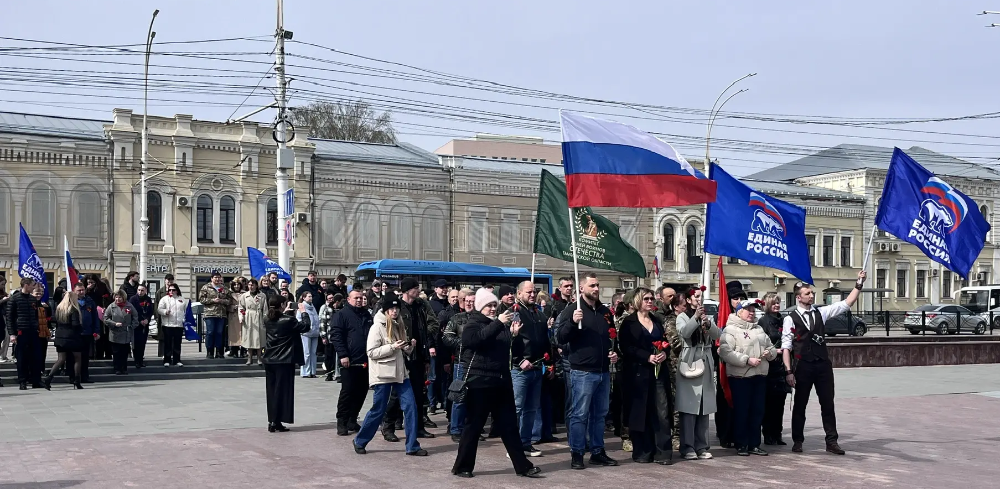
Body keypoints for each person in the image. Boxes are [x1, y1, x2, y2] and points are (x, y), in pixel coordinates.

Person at [451, 288, 541, 479]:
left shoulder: (499, 325)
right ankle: (462, 467)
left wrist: (514, 336)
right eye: (488, 306)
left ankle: (522, 466)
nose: (493, 309)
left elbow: (510, 350)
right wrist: (499, 323)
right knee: (473, 426)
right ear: (479, 306)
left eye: (494, 305)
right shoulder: (473, 324)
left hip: (501, 381)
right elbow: (475, 340)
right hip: (479, 382)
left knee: (509, 426)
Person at [784, 270, 867, 455]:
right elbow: (786, 347)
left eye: (812, 293)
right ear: (798, 297)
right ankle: (798, 441)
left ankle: (832, 441)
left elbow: (846, 304)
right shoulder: (790, 318)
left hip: (822, 365)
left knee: (828, 404)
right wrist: (788, 372)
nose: (811, 295)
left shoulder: (821, 313)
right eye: (807, 293)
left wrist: (859, 283)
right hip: (802, 366)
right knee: (800, 404)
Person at [555, 272, 620, 470]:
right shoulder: (572, 310)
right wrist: (573, 322)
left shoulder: (604, 312)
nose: (596, 289)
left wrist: (614, 352)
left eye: (598, 285)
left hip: (603, 370)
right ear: (581, 288)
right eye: (592, 285)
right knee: (579, 414)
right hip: (582, 371)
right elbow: (560, 338)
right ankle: (577, 452)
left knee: (599, 414)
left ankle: (598, 451)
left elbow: (611, 336)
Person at [352, 296, 428, 457]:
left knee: (411, 407)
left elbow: (401, 351)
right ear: (385, 310)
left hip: (400, 373)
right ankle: (360, 440)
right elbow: (371, 352)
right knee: (378, 410)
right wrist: (392, 347)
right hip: (382, 375)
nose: (394, 311)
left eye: (397, 309)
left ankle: (412, 446)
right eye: (391, 309)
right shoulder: (377, 327)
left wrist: (409, 347)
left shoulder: (399, 324)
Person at [619, 288, 673, 464]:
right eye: (646, 299)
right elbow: (626, 347)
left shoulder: (657, 321)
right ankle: (643, 451)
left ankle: (663, 452)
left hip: (658, 373)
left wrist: (664, 353)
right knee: (640, 413)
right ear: (637, 301)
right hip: (638, 374)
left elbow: (666, 342)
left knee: (661, 412)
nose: (650, 302)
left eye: (651, 299)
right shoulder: (629, 322)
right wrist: (646, 357)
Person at [383, 278, 438, 440]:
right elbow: (389, 326)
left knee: (419, 393)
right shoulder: (397, 305)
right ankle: (388, 427)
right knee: (396, 394)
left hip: (419, 354)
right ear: (407, 290)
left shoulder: (422, 305)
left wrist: (424, 341)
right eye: (415, 288)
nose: (418, 290)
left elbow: (434, 323)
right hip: (401, 354)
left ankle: (419, 427)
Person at [720, 299, 777, 457]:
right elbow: (725, 352)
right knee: (742, 411)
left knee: (757, 411)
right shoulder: (730, 329)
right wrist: (746, 360)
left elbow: (771, 347)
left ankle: (754, 443)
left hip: (759, 375)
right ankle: (741, 443)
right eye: (748, 310)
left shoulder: (759, 329)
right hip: (740, 377)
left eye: (754, 310)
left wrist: (769, 353)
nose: (752, 312)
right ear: (739, 312)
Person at [675, 285, 720, 461]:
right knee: (689, 406)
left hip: (706, 361)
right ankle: (687, 446)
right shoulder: (682, 317)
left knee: (704, 406)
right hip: (690, 361)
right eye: (696, 297)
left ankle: (702, 445)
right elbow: (685, 333)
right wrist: (695, 318)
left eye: (701, 296)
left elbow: (717, 335)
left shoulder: (705, 316)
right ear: (688, 300)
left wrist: (708, 323)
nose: (699, 300)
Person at [510, 280, 550, 458]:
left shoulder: (539, 314)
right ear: (519, 294)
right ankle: (513, 445)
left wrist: (549, 361)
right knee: (517, 408)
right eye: (528, 292)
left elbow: (544, 340)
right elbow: (508, 341)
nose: (532, 295)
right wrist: (519, 361)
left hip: (537, 366)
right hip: (520, 369)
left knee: (531, 408)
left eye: (534, 292)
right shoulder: (514, 313)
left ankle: (526, 443)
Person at [262, 293, 312, 432]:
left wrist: (286, 312)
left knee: (272, 391)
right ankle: (277, 421)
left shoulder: (267, 319)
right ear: (282, 305)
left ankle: (273, 420)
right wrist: (303, 312)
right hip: (284, 359)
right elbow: (306, 326)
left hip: (270, 359)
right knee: (283, 392)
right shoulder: (288, 320)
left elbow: (278, 319)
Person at [332, 290, 374, 436]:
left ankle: (352, 418)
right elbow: (336, 336)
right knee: (348, 391)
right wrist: (343, 355)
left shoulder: (366, 315)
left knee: (361, 391)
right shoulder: (341, 315)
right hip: (349, 360)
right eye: (356, 298)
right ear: (348, 299)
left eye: (361, 298)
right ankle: (342, 421)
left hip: (365, 359)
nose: (359, 300)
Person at [442, 289, 477, 442]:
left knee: (475, 398)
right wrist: (464, 343)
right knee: (459, 396)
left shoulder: (481, 318)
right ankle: (456, 428)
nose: (469, 303)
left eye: (472, 301)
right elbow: (447, 337)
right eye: (467, 301)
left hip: (477, 363)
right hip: (461, 362)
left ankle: (471, 428)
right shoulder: (456, 318)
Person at [758, 292, 790, 446]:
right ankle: (768, 434)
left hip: (782, 367)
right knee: (769, 402)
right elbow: (761, 343)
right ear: (767, 305)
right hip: (769, 366)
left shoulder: (783, 320)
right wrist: (773, 351)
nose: (777, 305)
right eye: (773, 303)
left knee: (780, 402)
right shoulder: (763, 322)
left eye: (778, 302)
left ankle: (778, 433)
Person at [44, 288, 84, 390]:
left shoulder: (59, 308)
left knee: (61, 359)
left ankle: (49, 378)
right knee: (77, 359)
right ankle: (77, 381)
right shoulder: (74, 309)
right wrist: (81, 327)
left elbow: (54, 321)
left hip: (60, 336)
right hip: (72, 337)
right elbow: (75, 324)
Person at [7, 278, 41, 390]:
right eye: (32, 285)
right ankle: (22, 381)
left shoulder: (33, 299)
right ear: (26, 285)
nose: (34, 287)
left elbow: (36, 315)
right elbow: (10, 318)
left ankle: (36, 380)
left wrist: (38, 327)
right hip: (21, 331)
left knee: (35, 357)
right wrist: (12, 334)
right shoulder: (14, 299)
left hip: (33, 331)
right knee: (21, 358)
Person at [104, 290, 138, 375]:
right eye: (116, 297)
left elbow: (135, 317)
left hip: (126, 333)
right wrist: (114, 324)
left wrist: (131, 326)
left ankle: (124, 368)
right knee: (116, 352)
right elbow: (106, 319)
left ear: (124, 298)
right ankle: (117, 368)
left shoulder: (129, 306)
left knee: (124, 352)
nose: (118, 299)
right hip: (115, 333)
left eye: (119, 297)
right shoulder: (111, 306)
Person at [199, 272, 231, 359]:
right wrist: (213, 300)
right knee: (210, 332)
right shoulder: (206, 287)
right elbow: (202, 299)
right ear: (211, 278)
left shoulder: (224, 288)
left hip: (221, 314)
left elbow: (229, 301)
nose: (217, 279)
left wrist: (222, 301)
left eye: (218, 277)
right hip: (210, 314)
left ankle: (219, 352)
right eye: (215, 277)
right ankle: (210, 351)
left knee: (219, 333)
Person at [74, 282, 100, 383]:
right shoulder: (71, 301)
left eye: (83, 290)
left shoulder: (90, 301)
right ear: (74, 291)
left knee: (85, 357)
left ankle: (85, 377)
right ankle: (74, 377)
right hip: (76, 334)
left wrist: (96, 331)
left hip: (87, 333)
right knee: (75, 357)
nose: (81, 292)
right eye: (79, 290)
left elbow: (95, 317)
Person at [157, 284, 188, 367]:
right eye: (170, 290)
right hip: (167, 324)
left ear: (177, 290)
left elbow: (186, 311)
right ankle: (166, 360)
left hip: (179, 324)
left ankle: (177, 360)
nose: (171, 291)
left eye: (173, 290)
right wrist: (165, 312)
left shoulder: (182, 299)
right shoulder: (164, 299)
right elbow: (159, 309)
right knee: (168, 343)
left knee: (177, 343)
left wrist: (185, 320)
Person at [239, 279, 267, 366]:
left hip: (258, 317)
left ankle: (259, 358)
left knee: (259, 338)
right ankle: (249, 358)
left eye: (252, 285)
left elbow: (265, 309)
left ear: (256, 286)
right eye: (249, 285)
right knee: (249, 338)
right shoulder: (244, 296)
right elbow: (241, 307)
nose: (251, 287)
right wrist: (241, 317)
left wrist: (265, 319)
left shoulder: (262, 295)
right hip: (248, 318)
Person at [128, 284, 154, 369]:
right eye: (139, 290)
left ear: (145, 291)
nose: (140, 292)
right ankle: (136, 361)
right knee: (136, 343)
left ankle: (141, 360)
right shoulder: (133, 299)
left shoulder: (148, 299)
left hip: (145, 325)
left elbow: (150, 311)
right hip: (136, 325)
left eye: (142, 290)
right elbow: (132, 312)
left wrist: (147, 319)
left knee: (142, 343)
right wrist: (139, 321)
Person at [154, 274, 177, 358]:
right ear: (165, 280)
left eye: (171, 280)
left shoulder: (176, 290)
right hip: (162, 317)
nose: (169, 281)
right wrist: (157, 316)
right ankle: (162, 353)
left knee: (172, 336)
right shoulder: (160, 291)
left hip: (173, 317)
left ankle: (171, 353)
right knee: (162, 336)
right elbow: (156, 304)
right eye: (168, 280)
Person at [33, 284, 53, 382]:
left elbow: (48, 319)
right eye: (37, 293)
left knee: (42, 353)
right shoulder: (31, 304)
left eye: (41, 293)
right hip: (34, 332)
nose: (39, 295)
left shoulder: (44, 305)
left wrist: (48, 309)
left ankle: (41, 369)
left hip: (43, 332)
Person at [298, 291, 321, 378]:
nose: (310, 298)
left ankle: (312, 371)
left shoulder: (313, 306)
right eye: (308, 296)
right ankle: (305, 372)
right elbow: (299, 319)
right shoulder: (302, 306)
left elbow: (316, 318)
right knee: (306, 353)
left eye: (311, 296)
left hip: (314, 332)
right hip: (306, 333)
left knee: (313, 353)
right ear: (304, 297)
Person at [319, 293, 340, 381]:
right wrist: (323, 336)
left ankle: (338, 374)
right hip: (329, 336)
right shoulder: (328, 310)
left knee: (338, 357)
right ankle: (329, 373)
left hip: (339, 337)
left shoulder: (341, 310)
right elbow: (323, 323)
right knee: (329, 357)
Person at [227, 280, 244, 358]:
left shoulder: (245, 293)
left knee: (243, 334)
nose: (236, 286)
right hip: (233, 315)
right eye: (235, 285)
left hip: (243, 315)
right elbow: (226, 304)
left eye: (238, 284)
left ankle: (243, 351)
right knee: (234, 334)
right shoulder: (229, 294)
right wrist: (233, 307)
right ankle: (234, 351)